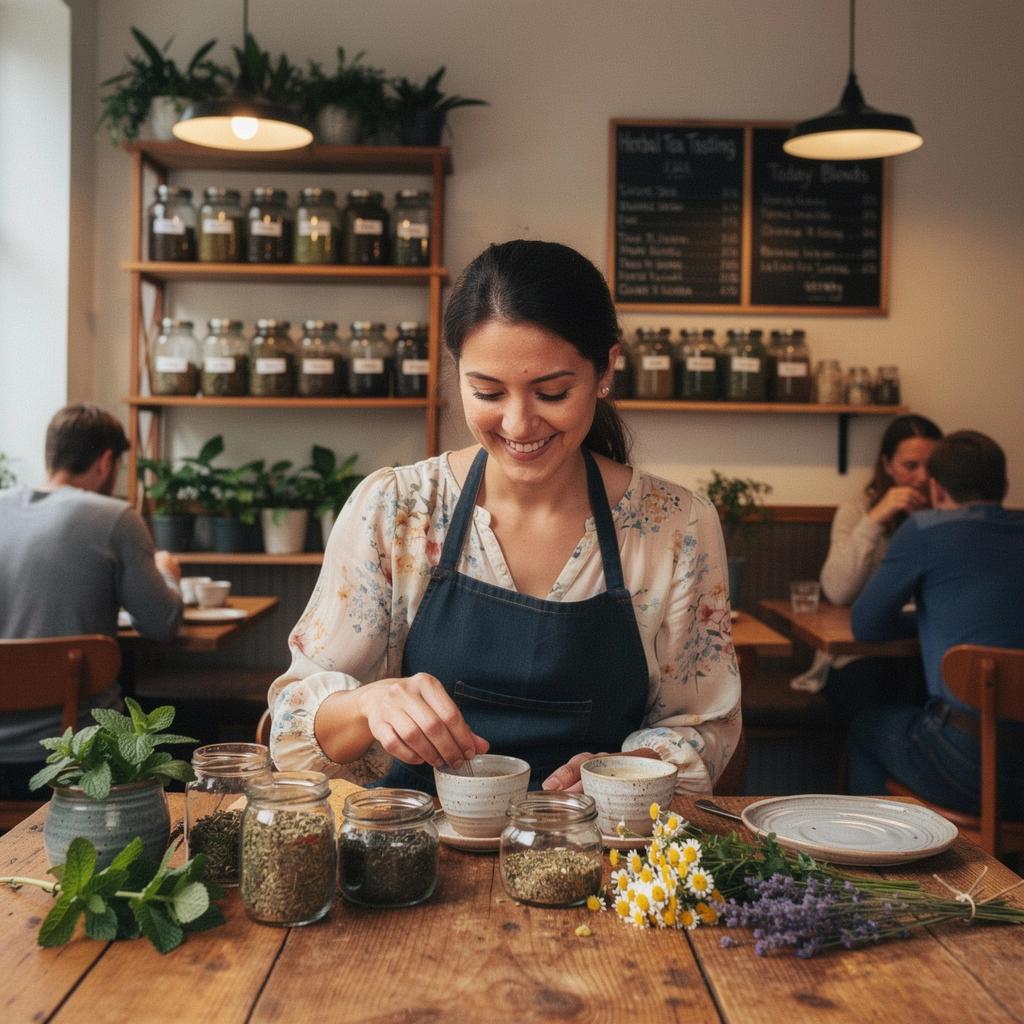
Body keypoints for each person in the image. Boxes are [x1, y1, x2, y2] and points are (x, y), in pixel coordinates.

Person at [269, 240, 741, 796]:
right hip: (415, 838)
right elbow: (292, 729)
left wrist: (627, 769)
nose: (518, 425)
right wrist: (369, 703)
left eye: (552, 393)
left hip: (599, 837)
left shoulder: (676, 527)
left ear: (606, 369)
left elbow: (703, 728)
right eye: (487, 392)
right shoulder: (397, 510)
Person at [0, 404, 183, 798]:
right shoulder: (115, 517)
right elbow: (161, 624)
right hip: (76, 752)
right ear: (105, 463)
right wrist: (167, 571)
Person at [847, 430, 1024, 816]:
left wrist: (925, 621)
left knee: (865, 729)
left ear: (937, 489)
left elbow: (866, 625)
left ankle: (877, 849)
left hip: (967, 763)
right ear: (1006, 486)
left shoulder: (925, 530)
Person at [791, 414, 942, 717]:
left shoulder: (952, 514)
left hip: (929, 651)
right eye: (911, 466)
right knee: (874, 690)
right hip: (858, 655)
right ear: (887, 465)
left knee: (932, 691)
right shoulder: (856, 512)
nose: (923, 476)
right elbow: (837, 591)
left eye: (933, 465)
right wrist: (875, 520)